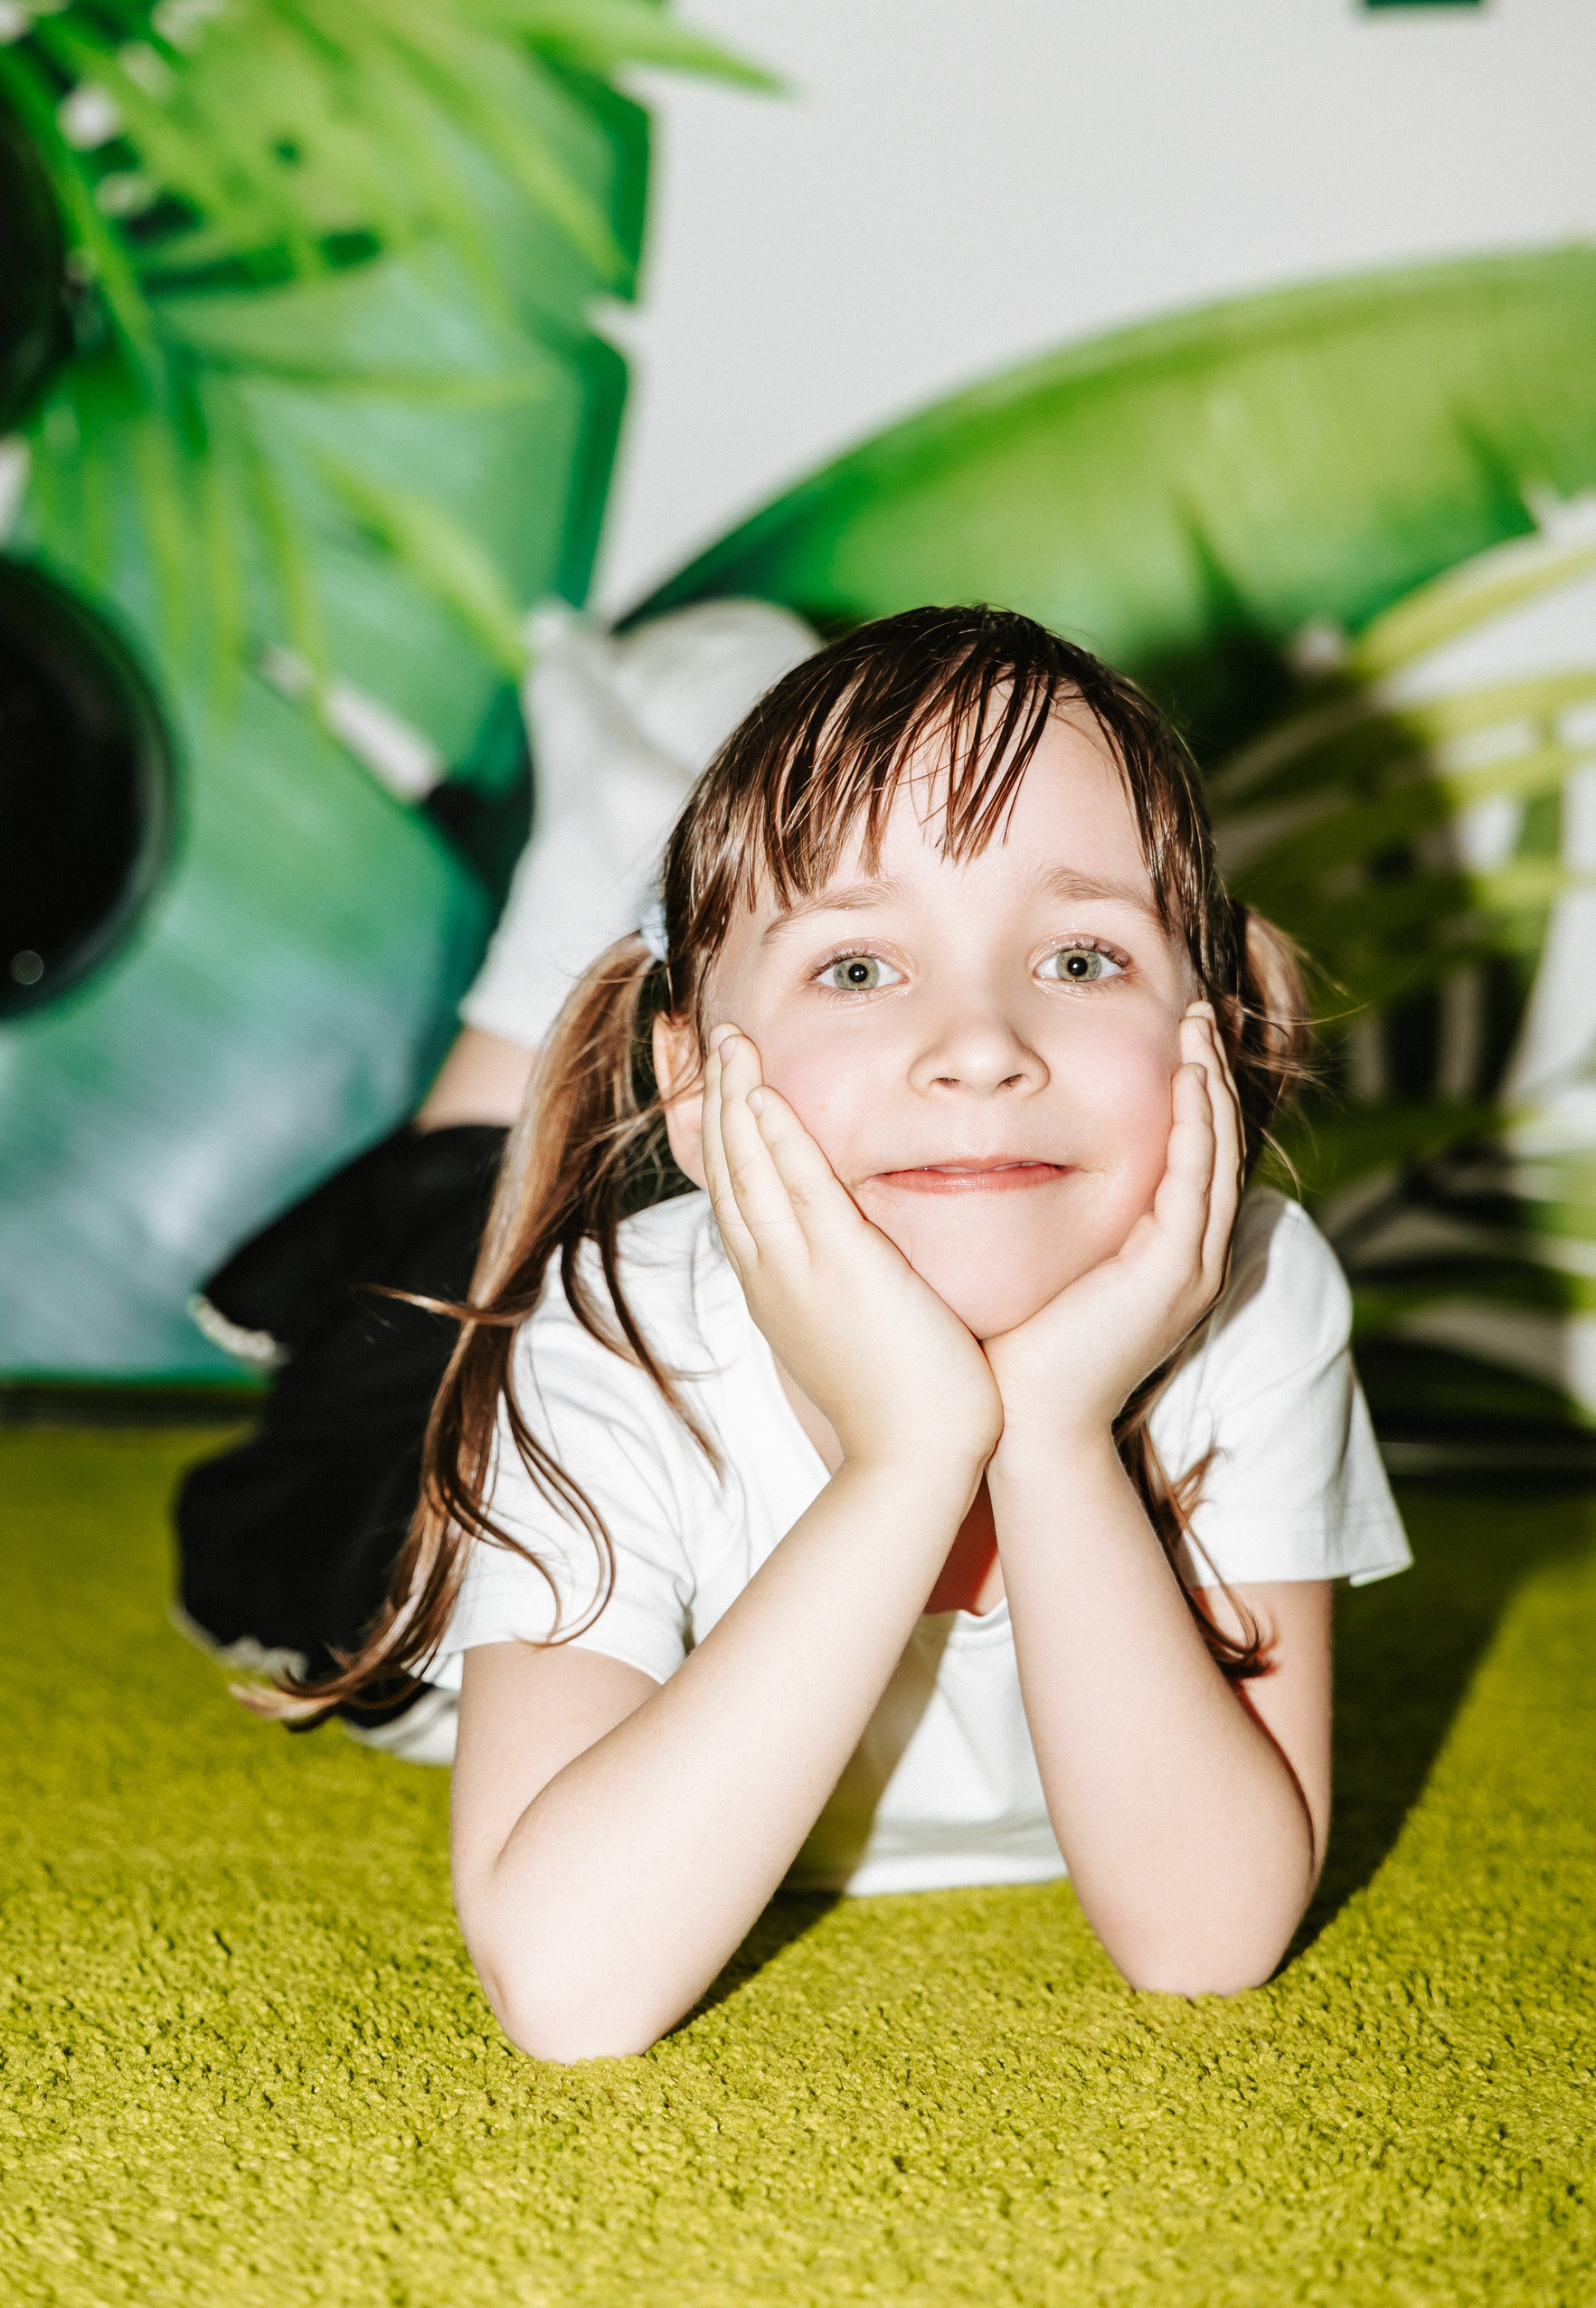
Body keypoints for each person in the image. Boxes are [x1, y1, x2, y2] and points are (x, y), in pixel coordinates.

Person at [234, 604, 1412, 2058]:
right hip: (383, 1521)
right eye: (858, 968)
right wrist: (911, 1457)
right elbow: (569, 1990)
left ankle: (660, 853)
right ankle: (578, 904)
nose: (981, 1047)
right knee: (413, 1309)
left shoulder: (1262, 1296)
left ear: (1209, 1033)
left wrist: (1050, 1438)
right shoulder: (611, 1327)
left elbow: (1207, 1938)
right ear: (690, 1079)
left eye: (1080, 959)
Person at [174, 595, 816, 1749]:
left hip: (419, 1536)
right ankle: (618, 767)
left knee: (479, 1169)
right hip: (455, 1506)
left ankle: (610, 764)